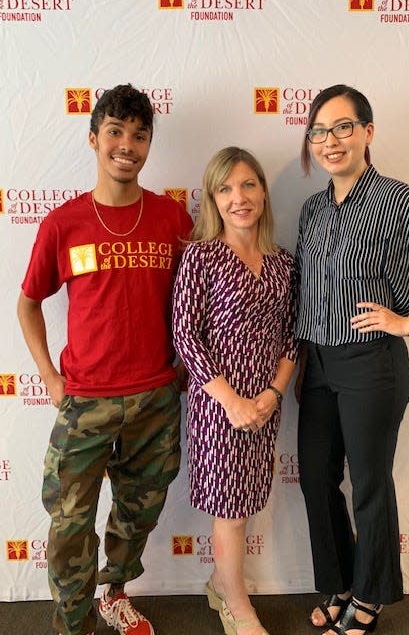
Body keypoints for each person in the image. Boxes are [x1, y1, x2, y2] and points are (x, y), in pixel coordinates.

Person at [295, 84, 409, 635]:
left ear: (367, 133)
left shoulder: (396, 200)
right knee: (314, 477)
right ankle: (341, 583)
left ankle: (371, 597)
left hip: (372, 362)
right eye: (320, 131)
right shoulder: (311, 209)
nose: (331, 141)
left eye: (343, 127)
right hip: (318, 363)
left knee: (370, 483)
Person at [17, 84, 193, 635]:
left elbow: (198, 295)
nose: (127, 145)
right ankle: (73, 621)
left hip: (156, 397)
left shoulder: (173, 219)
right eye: (115, 132)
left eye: (140, 135)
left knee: (138, 510)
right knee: (70, 523)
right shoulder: (63, 224)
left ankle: (114, 592)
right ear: (94, 138)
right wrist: (49, 374)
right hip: (85, 400)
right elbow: (28, 302)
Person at [172, 147, 297, 635]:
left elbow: (291, 336)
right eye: (224, 189)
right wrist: (234, 402)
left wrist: (272, 394)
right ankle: (235, 602)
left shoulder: (283, 263)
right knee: (230, 509)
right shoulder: (200, 256)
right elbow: (185, 334)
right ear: (211, 199)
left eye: (247, 185)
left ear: (263, 191)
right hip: (217, 406)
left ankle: (220, 582)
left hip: (265, 407)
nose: (238, 198)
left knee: (246, 501)